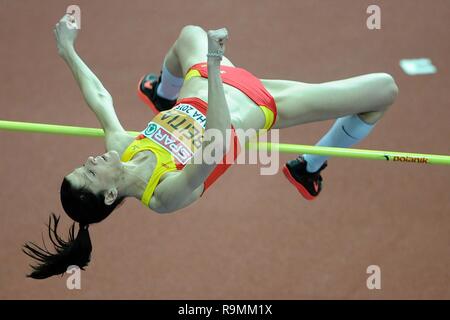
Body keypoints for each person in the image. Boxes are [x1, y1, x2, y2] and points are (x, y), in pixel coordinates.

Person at [23, 14, 398, 279]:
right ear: (108, 194)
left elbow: (100, 98)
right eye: (89, 171)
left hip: (202, 82)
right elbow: (216, 140)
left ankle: (162, 92)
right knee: (383, 89)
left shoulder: (122, 148)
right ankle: (309, 167)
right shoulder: (164, 195)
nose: (90, 158)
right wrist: (216, 63)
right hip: (262, 104)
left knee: (189, 33)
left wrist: (67, 51)